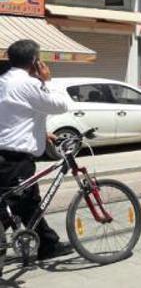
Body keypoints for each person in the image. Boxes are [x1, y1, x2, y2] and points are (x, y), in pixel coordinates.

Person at [0, 40, 73, 260]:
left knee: (28, 202)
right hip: (15, 159)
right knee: (15, 203)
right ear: (34, 61)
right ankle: (46, 244)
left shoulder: (3, 81)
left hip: (6, 155)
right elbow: (60, 105)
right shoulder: (30, 84)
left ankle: (48, 244)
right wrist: (47, 81)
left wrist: (42, 133)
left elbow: (14, 115)